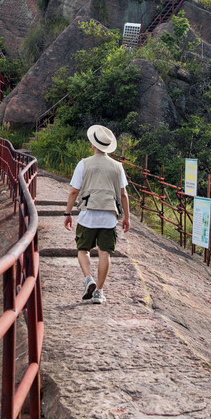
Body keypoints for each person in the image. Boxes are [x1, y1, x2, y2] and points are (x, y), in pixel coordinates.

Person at [64, 125, 130, 304]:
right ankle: (99, 292)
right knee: (105, 253)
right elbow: (123, 194)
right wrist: (126, 217)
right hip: (109, 215)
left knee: (82, 250)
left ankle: (88, 279)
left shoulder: (84, 163)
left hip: (88, 213)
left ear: (93, 144)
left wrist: (67, 213)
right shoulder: (118, 166)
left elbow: (73, 191)